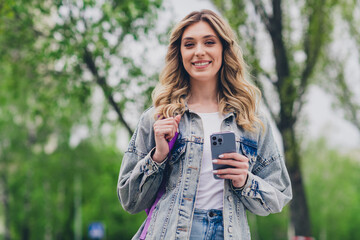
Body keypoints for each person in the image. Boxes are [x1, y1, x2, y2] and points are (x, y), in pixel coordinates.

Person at [117, 9, 292, 240]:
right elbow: (130, 200)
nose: (199, 52)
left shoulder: (251, 121)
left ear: (223, 49)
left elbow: (279, 195)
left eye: (209, 42)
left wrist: (245, 180)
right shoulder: (158, 118)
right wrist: (158, 156)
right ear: (179, 53)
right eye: (189, 44)